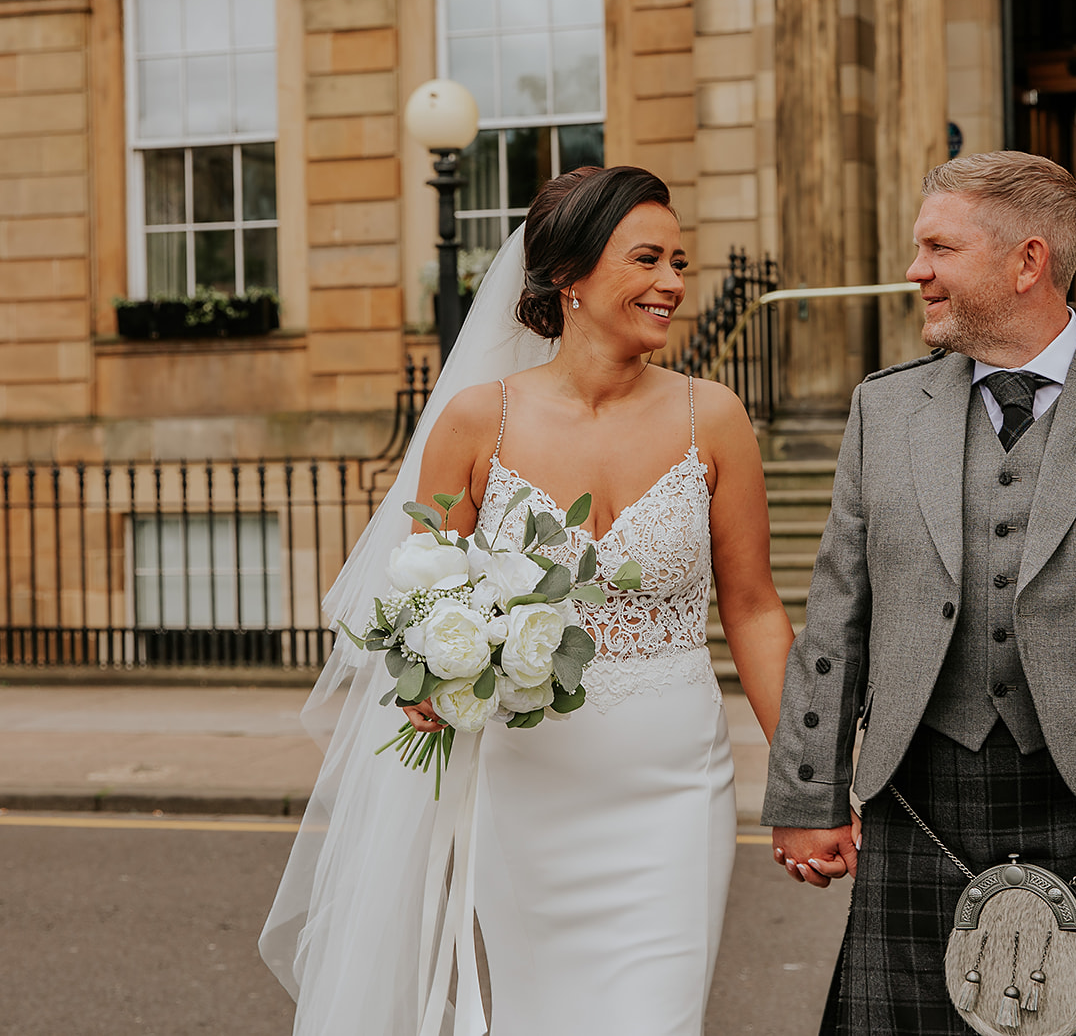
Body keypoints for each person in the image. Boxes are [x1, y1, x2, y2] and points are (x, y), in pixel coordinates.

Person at [261, 166, 793, 1035]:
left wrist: (806, 782)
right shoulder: (478, 421)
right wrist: (430, 678)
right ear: (571, 278)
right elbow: (419, 600)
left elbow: (757, 610)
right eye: (648, 259)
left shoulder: (716, 416)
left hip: (672, 780)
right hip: (524, 784)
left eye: (680, 261)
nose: (672, 283)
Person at [762, 150, 1076, 1034]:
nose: (915, 271)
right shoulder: (884, 409)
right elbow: (837, 613)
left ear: (1026, 262)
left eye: (938, 249)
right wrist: (806, 793)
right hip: (922, 796)